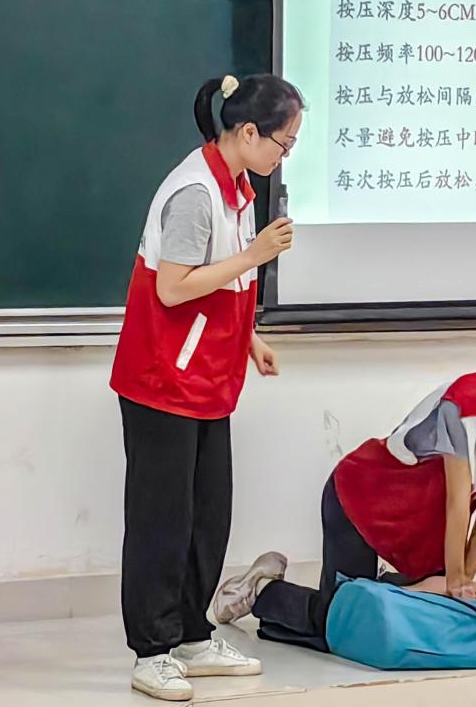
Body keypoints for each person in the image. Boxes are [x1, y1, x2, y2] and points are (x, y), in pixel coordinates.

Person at [109, 73, 303, 702]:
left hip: (208, 380)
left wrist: (249, 338)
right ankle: (152, 651)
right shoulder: (195, 191)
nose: (285, 155)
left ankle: (193, 635)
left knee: (207, 517)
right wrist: (256, 255)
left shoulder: (237, 187)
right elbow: (173, 287)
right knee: (161, 522)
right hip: (162, 380)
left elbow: (221, 285)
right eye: (283, 142)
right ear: (248, 132)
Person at [213, 356, 476, 653]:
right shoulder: (467, 405)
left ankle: (374, 586)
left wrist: (462, 583)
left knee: (419, 613)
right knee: (344, 622)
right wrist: (456, 581)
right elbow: (458, 502)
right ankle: (262, 591)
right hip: (363, 501)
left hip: (418, 521)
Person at [215, 559, 476, 669]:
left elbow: (445, 601)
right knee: (323, 623)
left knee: (324, 611)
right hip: (393, 635)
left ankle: (256, 590)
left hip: (390, 619)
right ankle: (264, 600)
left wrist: (397, 590)